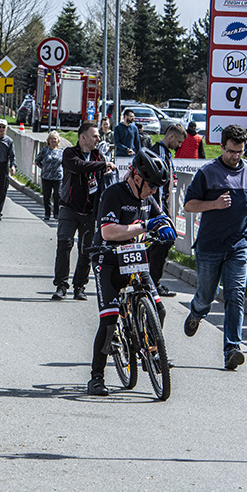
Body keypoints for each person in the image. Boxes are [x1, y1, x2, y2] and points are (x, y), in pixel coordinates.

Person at [86, 148, 177, 396]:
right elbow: (108, 232)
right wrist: (144, 226)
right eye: (151, 185)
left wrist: (165, 227)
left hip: (135, 258)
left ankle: (152, 349)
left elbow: (163, 218)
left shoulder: (148, 196)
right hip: (109, 258)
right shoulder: (113, 194)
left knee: (159, 308)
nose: (154, 191)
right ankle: (96, 377)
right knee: (109, 319)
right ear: (136, 177)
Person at [183, 124, 247, 371]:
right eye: (231, 151)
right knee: (207, 295)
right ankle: (196, 312)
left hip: (238, 244)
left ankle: (232, 349)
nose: (236, 156)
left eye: (240, 151)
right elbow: (189, 205)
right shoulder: (207, 172)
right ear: (222, 146)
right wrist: (214, 204)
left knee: (235, 295)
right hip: (210, 245)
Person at [52, 122, 117, 301]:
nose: (98, 139)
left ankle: (79, 286)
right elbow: (79, 166)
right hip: (69, 208)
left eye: (98, 136)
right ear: (83, 137)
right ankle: (61, 285)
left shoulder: (99, 157)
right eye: (94, 136)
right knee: (64, 244)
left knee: (86, 250)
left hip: (90, 211)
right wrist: (102, 166)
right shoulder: (70, 153)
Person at [147, 123, 187, 297]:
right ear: (171, 137)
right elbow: (161, 185)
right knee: (162, 243)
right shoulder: (160, 152)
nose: (179, 146)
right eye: (178, 142)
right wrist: (162, 211)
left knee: (159, 244)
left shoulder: (163, 152)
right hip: (158, 206)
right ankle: (153, 283)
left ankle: (149, 280)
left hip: (159, 205)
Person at [34, 131, 63, 220]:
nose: (54, 140)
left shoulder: (61, 151)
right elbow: (37, 160)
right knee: (47, 196)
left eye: (55, 138)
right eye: (52, 138)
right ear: (48, 140)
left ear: (58, 140)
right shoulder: (45, 150)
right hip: (46, 176)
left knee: (57, 195)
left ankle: (56, 213)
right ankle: (47, 213)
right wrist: (41, 166)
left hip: (57, 177)